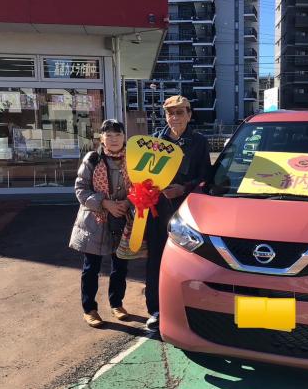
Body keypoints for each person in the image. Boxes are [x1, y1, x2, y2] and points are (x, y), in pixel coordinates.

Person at [144, 95, 211, 331]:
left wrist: (183, 188)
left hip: (186, 210)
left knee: (188, 259)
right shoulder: (154, 141)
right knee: (156, 258)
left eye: (180, 112)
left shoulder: (199, 142)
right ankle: (155, 309)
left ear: (189, 115)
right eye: (170, 113)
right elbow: (143, 173)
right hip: (157, 209)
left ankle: (187, 308)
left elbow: (206, 176)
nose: (175, 117)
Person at [69, 119, 132, 328]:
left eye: (118, 135)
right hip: (95, 221)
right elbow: (80, 190)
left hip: (121, 219)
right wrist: (105, 203)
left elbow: (140, 186)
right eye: (109, 135)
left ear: (124, 137)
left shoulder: (132, 159)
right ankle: (89, 309)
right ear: (102, 138)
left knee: (120, 265)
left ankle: (117, 304)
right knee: (91, 267)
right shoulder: (92, 159)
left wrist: (127, 203)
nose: (114, 139)